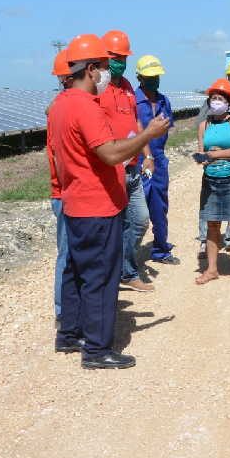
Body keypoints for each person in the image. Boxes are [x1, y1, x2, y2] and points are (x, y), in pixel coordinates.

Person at [49, 34, 170, 370]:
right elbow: (110, 153)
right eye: (103, 66)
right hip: (97, 205)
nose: (107, 74)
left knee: (76, 270)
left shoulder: (59, 105)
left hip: (75, 200)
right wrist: (147, 136)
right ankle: (98, 350)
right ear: (91, 69)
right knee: (101, 277)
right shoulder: (85, 107)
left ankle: (70, 334)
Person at [98, 29, 153, 292]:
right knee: (114, 225)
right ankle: (121, 272)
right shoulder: (97, 88)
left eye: (123, 57)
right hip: (112, 168)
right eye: (114, 57)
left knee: (140, 220)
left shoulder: (128, 87)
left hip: (132, 168)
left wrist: (147, 154)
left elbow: (136, 121)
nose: (119, 62)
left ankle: (125, 269)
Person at [194, 78, 230, 285]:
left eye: (219, 98)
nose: (215, 102)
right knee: (212, 225)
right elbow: (202, 154)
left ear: (228, 102)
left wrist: (215, 155)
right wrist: (203, 157)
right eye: (213, 98)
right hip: (210, 181)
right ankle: (212, 269)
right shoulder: (203, 125)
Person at [134, 54, 179, 266]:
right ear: (139, 77)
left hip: (158, 160)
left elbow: (166, 130)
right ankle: (128, 257)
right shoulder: (132, 101)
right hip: (136, 162)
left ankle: (161, 248)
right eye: (150, 76)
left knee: (160, 206)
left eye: (157, 76)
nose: (154, 79)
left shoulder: (164, 101)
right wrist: (144, 155)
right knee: (135, 211)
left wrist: (156, 155)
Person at [46, 49, 74, 325]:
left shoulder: (61, 105)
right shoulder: (61, 108)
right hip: (66, 193)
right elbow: (60, 156)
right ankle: (62, 313)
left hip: (67, 192)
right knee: (67, 254)